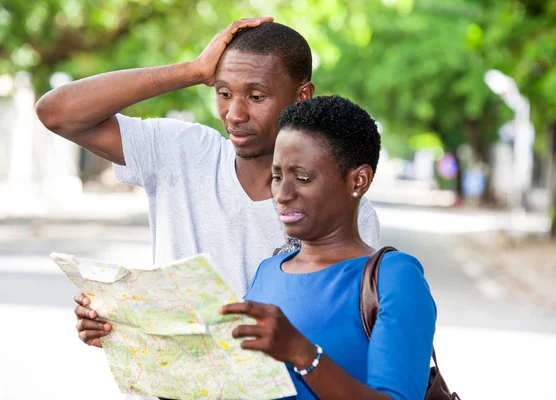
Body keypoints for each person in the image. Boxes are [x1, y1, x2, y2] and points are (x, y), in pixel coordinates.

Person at [36, 18, 381, 347]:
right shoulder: (181, 152)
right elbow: (57, 113)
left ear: (302, 96)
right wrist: (194, 70)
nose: (235, 114)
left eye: (256, 97)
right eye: (224, 92)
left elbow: (344, 331)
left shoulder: (340, 205)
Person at [220, 95, 436, 400]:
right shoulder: (268, 271)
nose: (282, 194)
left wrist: (303, 354)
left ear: (358, 181)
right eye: (277, 176)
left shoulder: (394, 277)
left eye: (303, 178)